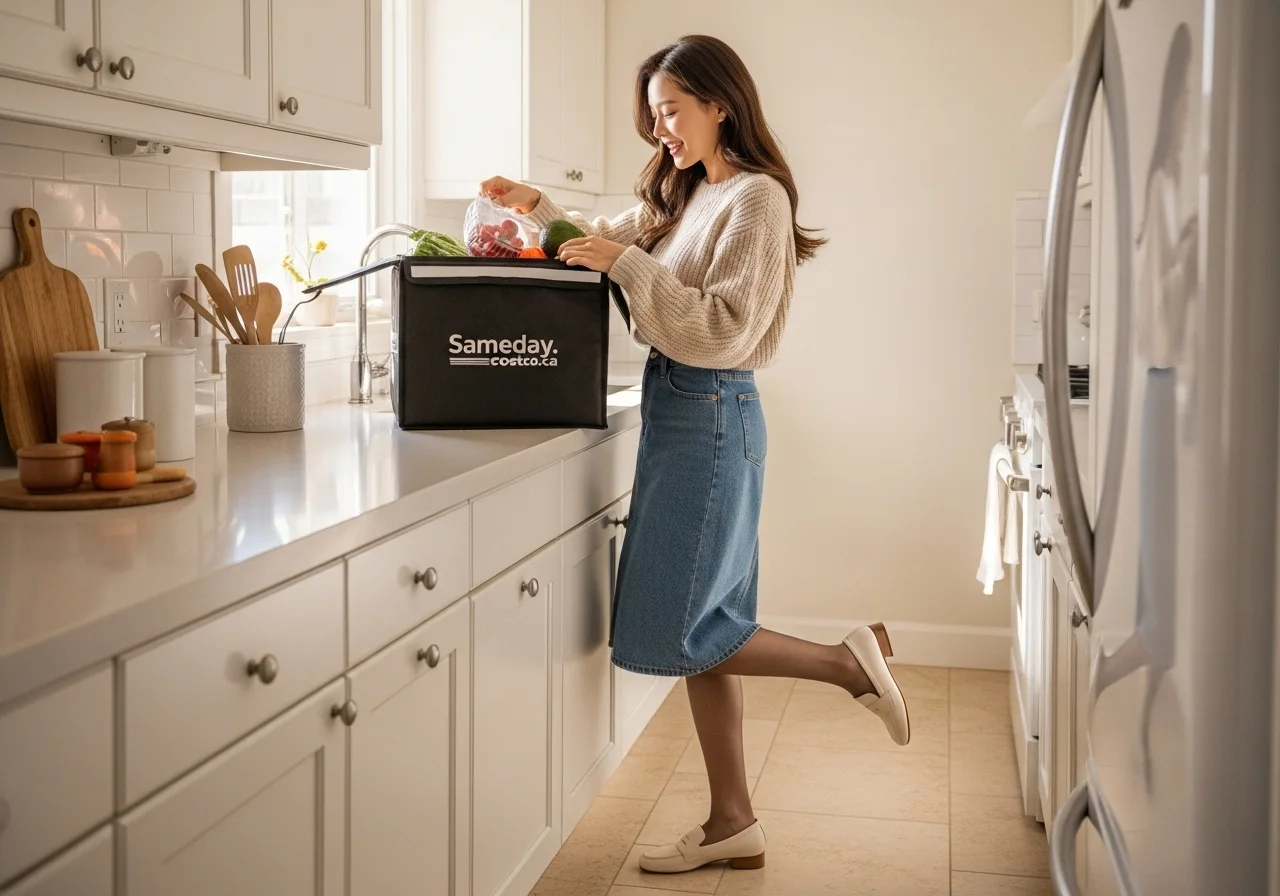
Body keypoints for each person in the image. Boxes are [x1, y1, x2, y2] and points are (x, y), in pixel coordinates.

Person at [480, 34, 910, 875]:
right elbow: (602, 239)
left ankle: (843, 663)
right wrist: (534, 206)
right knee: (705, 627)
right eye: (653, 116)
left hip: (711, 410)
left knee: (681, 628)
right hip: (685, 410)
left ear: (721, 103)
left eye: (672, 111)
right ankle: (732, 821)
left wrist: (630, 264)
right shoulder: (686, 191)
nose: (662, 130)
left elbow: (722, 329)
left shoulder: (757, 201)